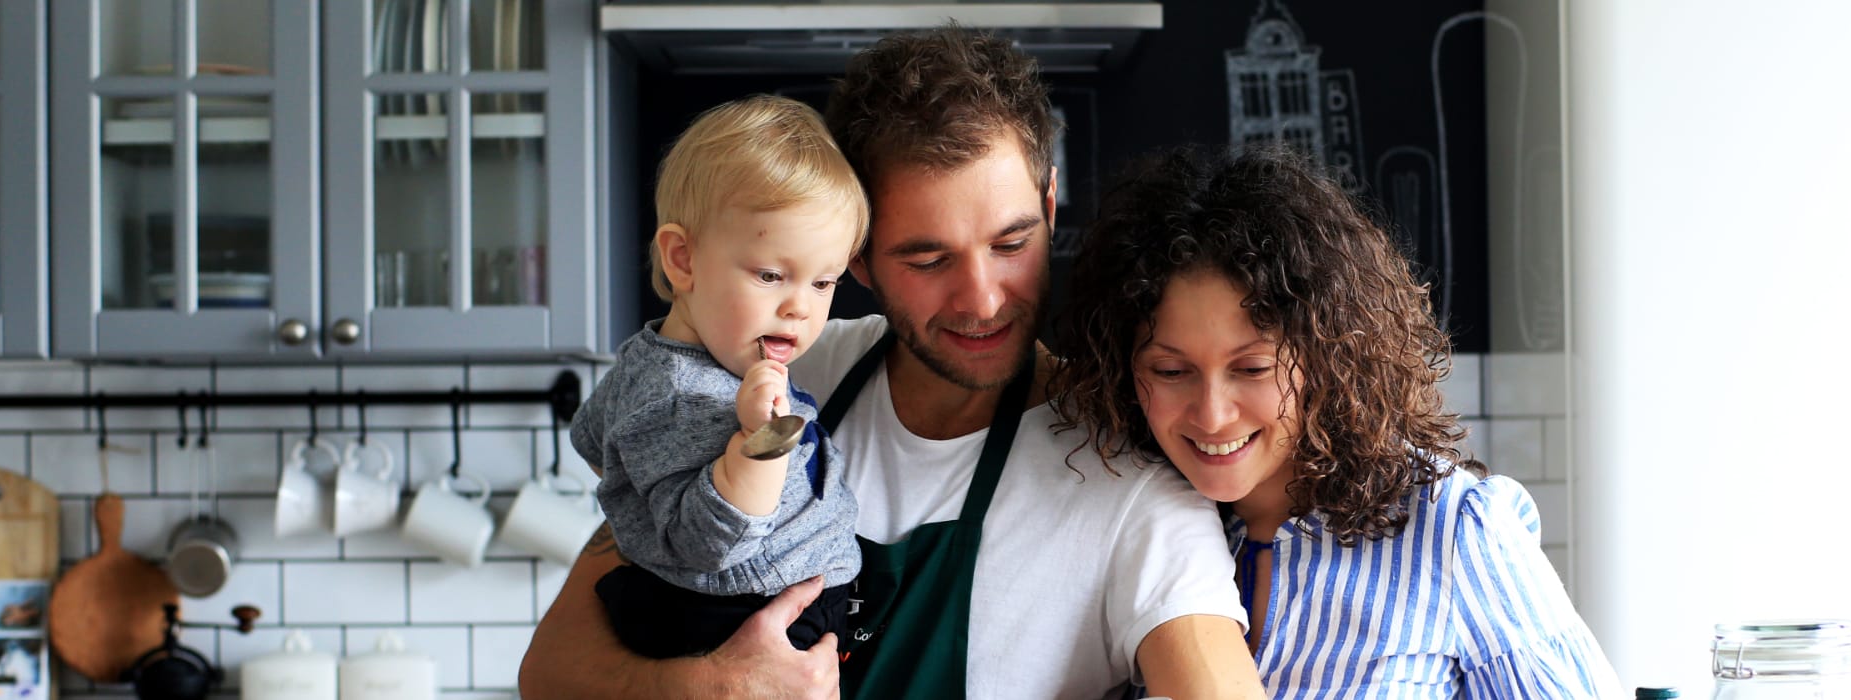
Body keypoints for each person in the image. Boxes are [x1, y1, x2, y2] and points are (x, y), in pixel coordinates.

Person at [521, 27, 1263, 700]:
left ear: (1051, 204)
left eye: (1011, 244)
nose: (981, 299)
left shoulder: (1125, 480)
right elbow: (551, 666)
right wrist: (712, 686)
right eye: (928, 257)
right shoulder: (781, 375)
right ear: (858, 261)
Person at [1049, 144, 1626, 698]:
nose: (1212, 413)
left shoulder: (1451, 531)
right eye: (1172, 371)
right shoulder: (1134, 523)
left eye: (1252, 368)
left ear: (1326, 354)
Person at [570, 94, 866, 660]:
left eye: (823, 283)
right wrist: (763, 445)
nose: (800, 308)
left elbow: (591, 440)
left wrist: (647, 508)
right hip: (752, 619)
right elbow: (711, 544)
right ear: (682, 260)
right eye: (772, 274)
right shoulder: (695, 400)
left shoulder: (644, 356)